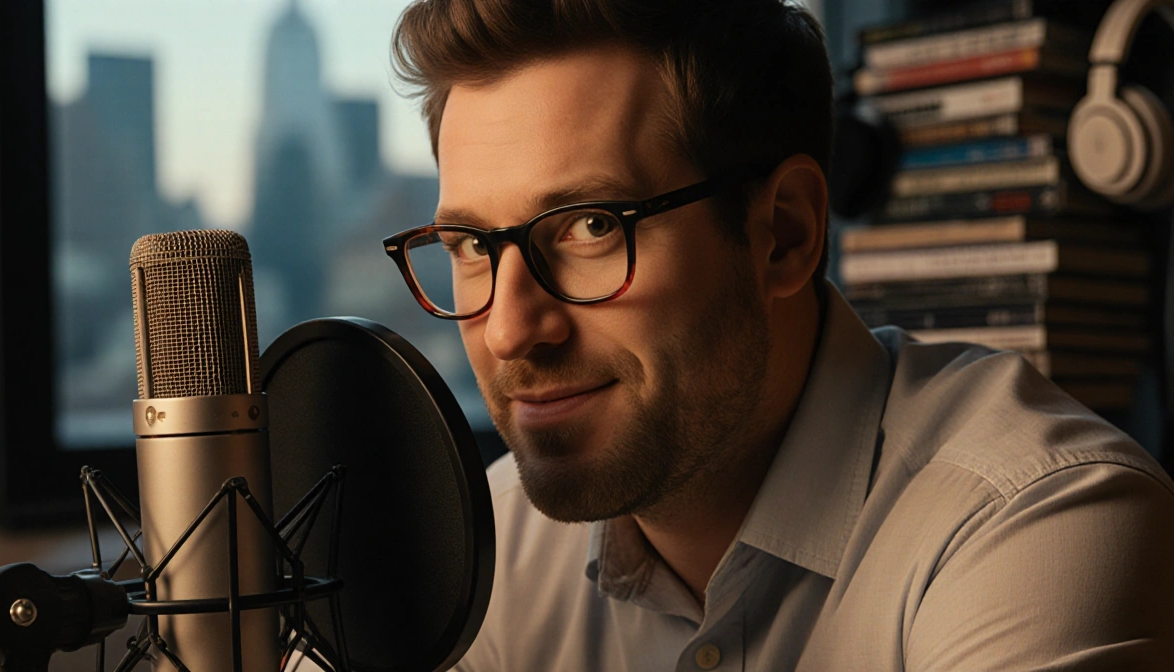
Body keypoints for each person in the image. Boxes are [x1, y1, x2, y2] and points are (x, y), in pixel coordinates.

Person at [379, 0, 1174, 669]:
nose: (513, 329)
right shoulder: (490, 548)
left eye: (590, 226)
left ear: (785, 234)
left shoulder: (1040, 523)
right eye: (473, 247)